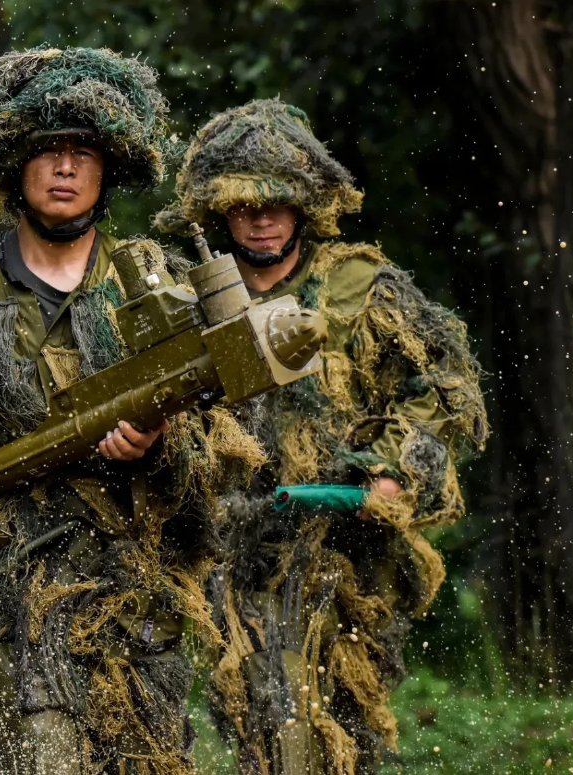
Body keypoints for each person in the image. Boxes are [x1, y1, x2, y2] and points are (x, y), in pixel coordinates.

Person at [0, 46, 258, 775]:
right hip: (14, 587)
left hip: (135, 594)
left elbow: (224, 437)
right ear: (14, 167)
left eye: (82, 152)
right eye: (47, 151)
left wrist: (158, 442)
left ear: (107, 170)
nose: (65, 168)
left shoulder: (151, 282)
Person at [155, 99, 489, 774]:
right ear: (216, 210)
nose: (261, 216)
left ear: (307, 203)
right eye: (243, 203)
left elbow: (447, 391)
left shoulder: (358, 288)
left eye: (277, 201)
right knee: (276, 736)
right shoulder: (187, 303)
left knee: (347, 739)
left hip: (347, 555)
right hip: (236, 554)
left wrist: (391, 471)